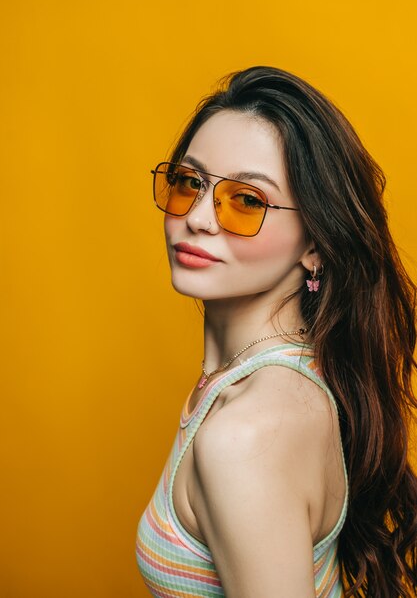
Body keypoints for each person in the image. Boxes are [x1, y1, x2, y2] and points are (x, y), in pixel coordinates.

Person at [135, 66, 417, 597]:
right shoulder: (276, 382)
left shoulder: (248, 434)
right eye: (189, 182)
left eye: (246, 200)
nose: (198, 217)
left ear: (315, 244)